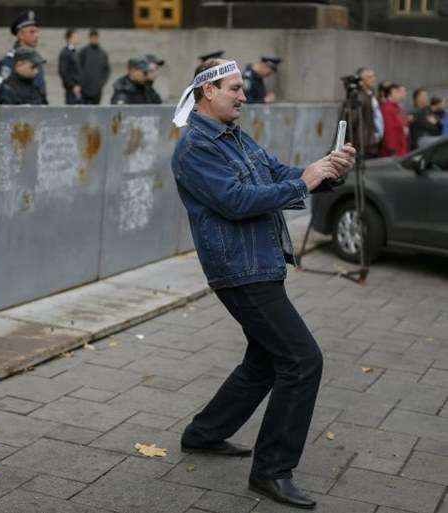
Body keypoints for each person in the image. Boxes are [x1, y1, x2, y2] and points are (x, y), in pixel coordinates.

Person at [171, 57, 356, 510]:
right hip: (240, 271)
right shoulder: (195, 147)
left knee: (266, 362)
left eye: (242, 88)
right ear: (207, 92)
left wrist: (324, 171)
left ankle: (203, 435)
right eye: (234, 88)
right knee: (302, 360)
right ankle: (271, 471)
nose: (242, 95)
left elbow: (275, 174)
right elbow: (235, 202)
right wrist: (304, 184)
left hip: (261, 264)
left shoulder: (235, 136)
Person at [0, 10, 46, 98]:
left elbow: (42, 90)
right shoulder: (9, 60)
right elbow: (5, 93)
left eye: (37, 31)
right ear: (20, 35)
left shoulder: (36, 57)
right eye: (32, 32)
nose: (36, 35)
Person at [348, 67, 383, 159]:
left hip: (372, 140)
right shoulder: (359, 96)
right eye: (369, 77)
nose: (373, 79)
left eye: (373, 76)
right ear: (361, 80)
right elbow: (353, 121)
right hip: (363, 143)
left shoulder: (370, 94)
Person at [77, 29, 110, 105]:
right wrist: (81, 82)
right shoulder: (83, 52)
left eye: (96, 38)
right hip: (84, 89)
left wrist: (101, 83)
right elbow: (78, 68)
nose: (94, 39)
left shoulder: (102, 53)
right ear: (89, 38)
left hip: (97, 89)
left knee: (96, 110)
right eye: (92, 38)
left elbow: (106, 70)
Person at [379, 83, 409, 157]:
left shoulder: (397, 107)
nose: (400, 94)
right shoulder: (387, 108)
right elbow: (389, 130)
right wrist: (392, 148)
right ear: (391, 94)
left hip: (401, 146)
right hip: (394, 150)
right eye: (397, 92)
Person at [58, 28, 82, 105]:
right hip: (71, 89)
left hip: (78, 88)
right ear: (70, 38)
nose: (77, 39)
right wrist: (72, 85)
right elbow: (63, 71)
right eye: (75, 37)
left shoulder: (74, 52)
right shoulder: (65, 52)